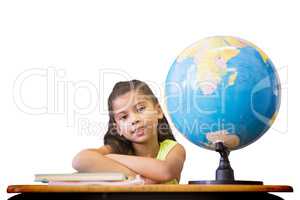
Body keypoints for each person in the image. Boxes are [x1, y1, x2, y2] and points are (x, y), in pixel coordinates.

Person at [72, 79, 186, 184]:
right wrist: (135, 178)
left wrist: (113, 158)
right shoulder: (116, 149)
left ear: (158, 111)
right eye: (124, 117)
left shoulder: (174, 149)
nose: (134, 120)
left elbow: (165, 171)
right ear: (118, 128)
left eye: (141, 109)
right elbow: (79, 160)